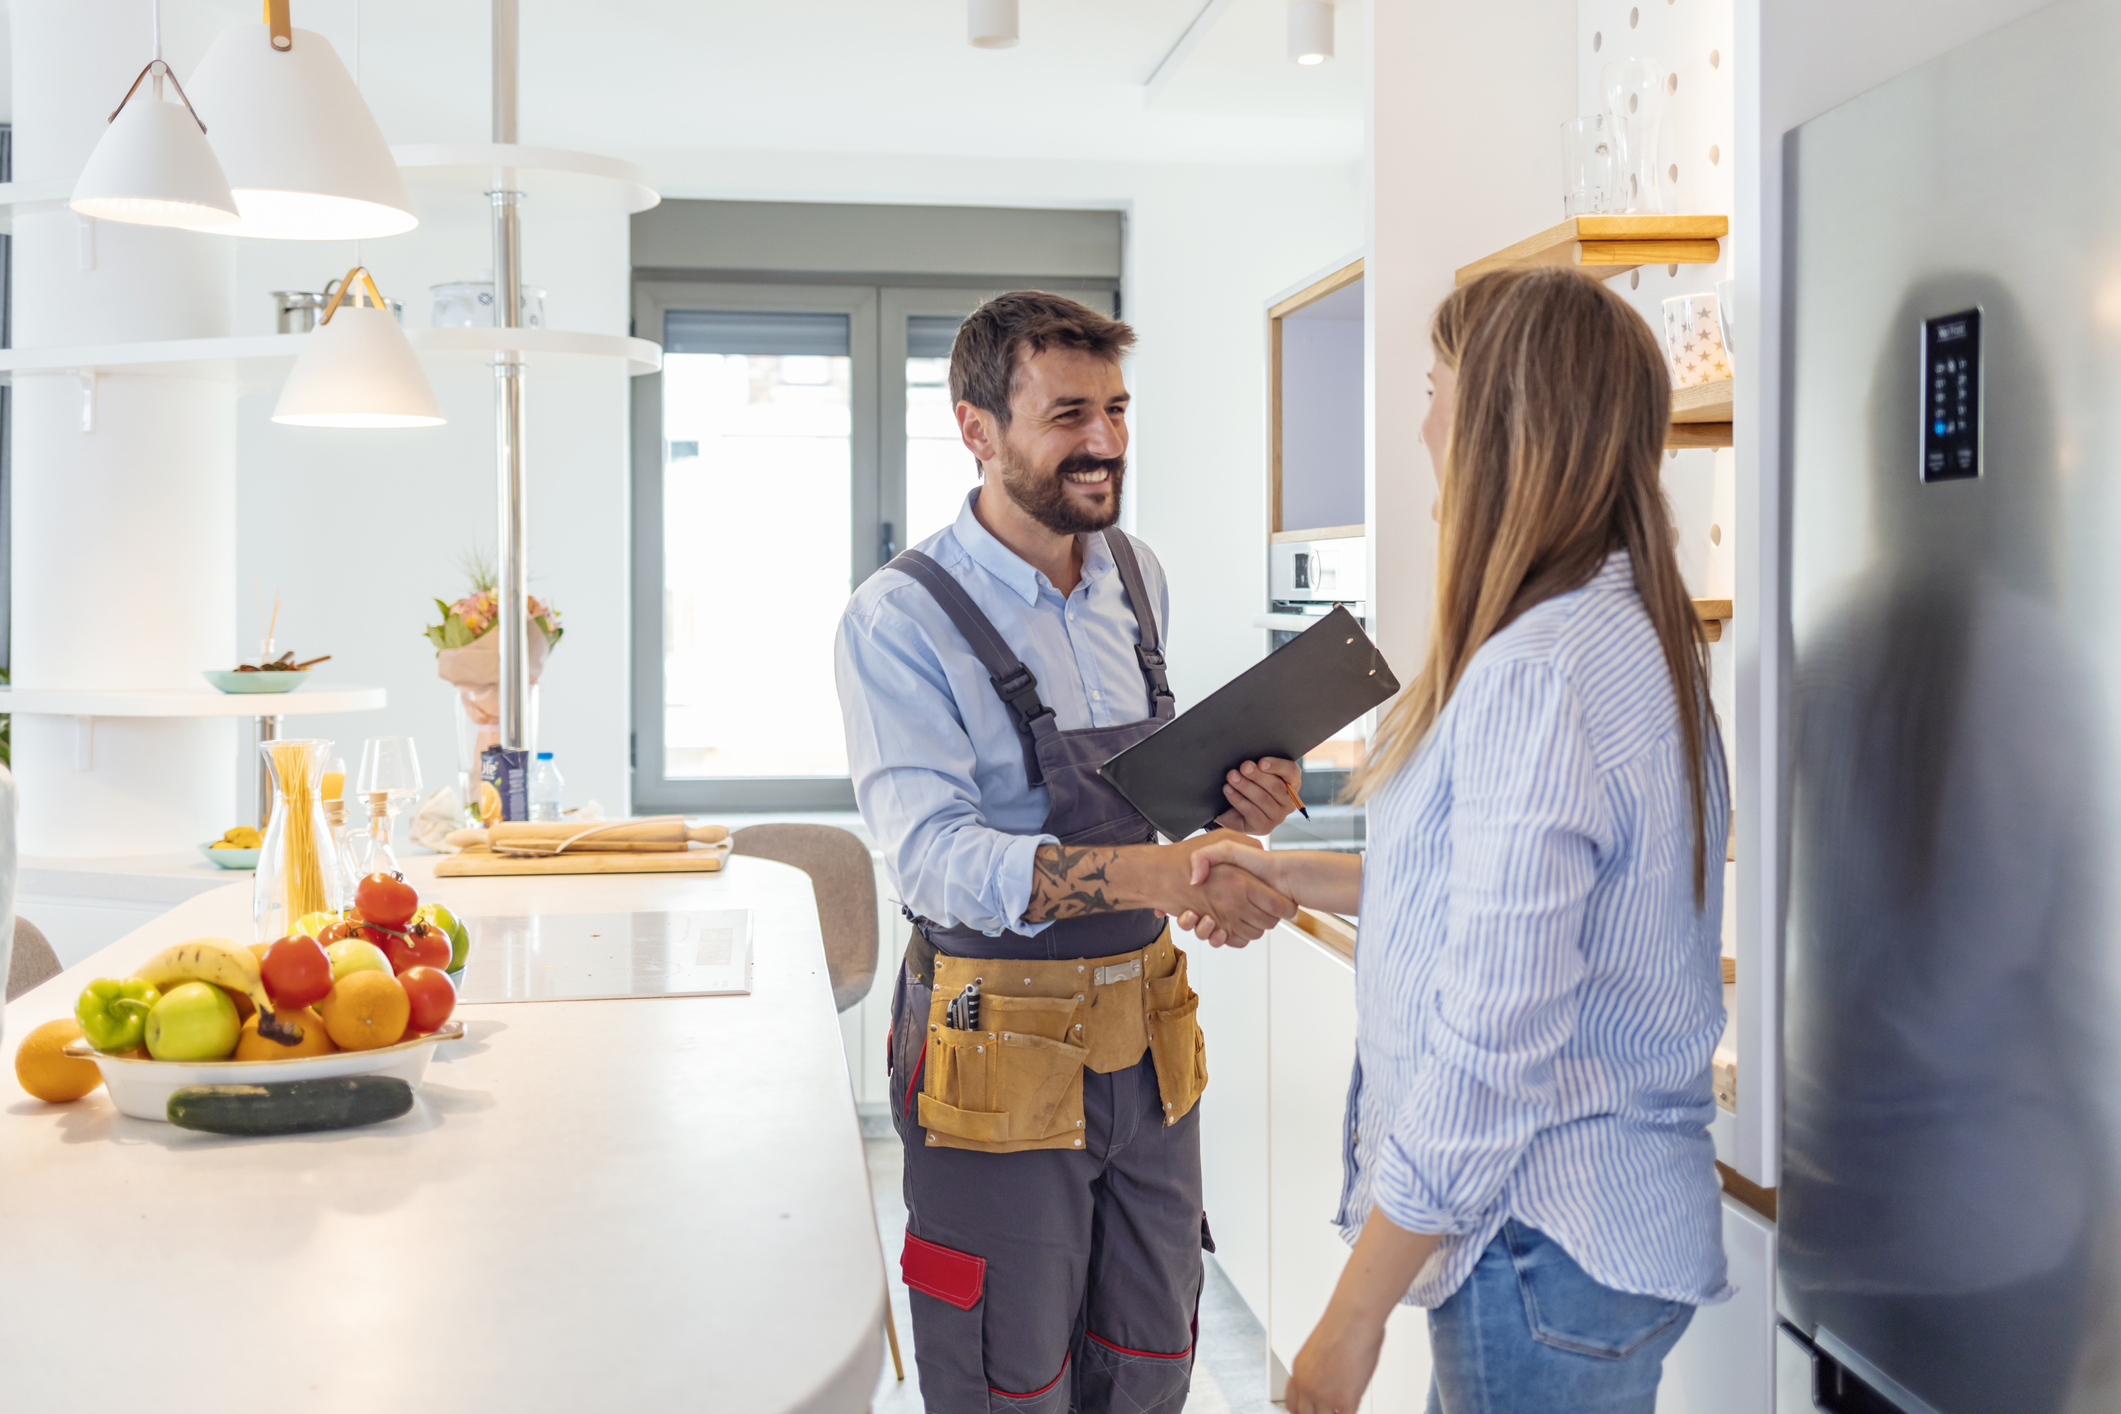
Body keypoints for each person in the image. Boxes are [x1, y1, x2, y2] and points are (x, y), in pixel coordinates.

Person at [1184, 266, 1732, 1413]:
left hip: (1534, 1240)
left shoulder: (1537, 672)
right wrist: (1285, 872)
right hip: (1593, 1244)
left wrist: (1352, 1314)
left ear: (1499, 423)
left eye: (1436, 388)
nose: (1422, 423)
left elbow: (1493, 1037)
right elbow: (1473, 897)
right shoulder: (1626, 633)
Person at [834, 289, 1302, 1414]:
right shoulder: (897, 620)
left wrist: (1240, 811)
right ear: (977, 429)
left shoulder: (1135, 576)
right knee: (1009, 1373)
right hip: (996, 1049)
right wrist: (1164, 871)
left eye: (1118, 411)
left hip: (1147, 1041)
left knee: (1148, 1353)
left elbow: (1150, 801)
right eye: (1068, 414)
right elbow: (936, 860)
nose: (1103, 443)